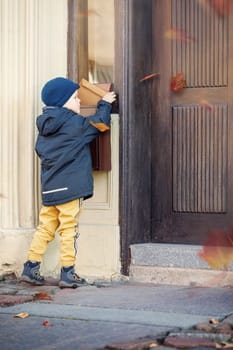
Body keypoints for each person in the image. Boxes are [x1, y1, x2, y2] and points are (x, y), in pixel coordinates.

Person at [21, 77, 116, 288]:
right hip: (71, 188)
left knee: (45, 228)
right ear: (63, 102)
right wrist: (106, 102)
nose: (79, 102)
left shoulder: (45, 126)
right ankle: (68, 272)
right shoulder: (74, 123)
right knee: (69, 229)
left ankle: (31, 266)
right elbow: (99, 123)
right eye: (75, 98)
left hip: (50, 187)